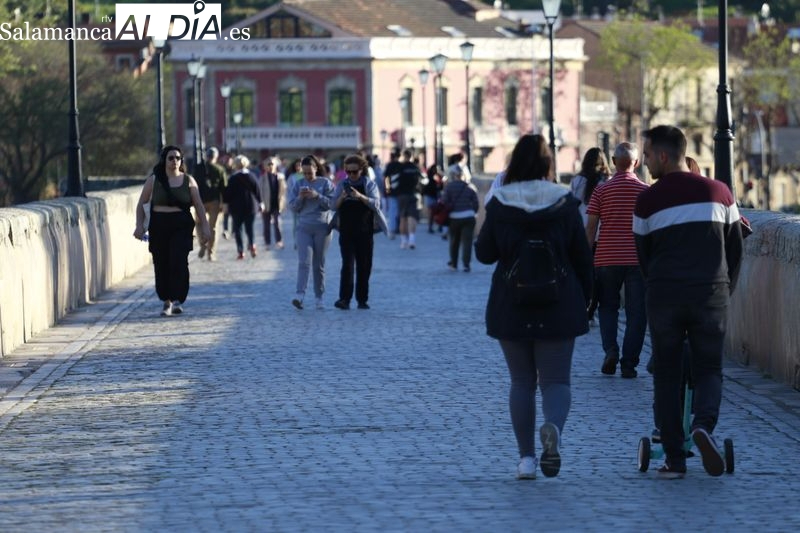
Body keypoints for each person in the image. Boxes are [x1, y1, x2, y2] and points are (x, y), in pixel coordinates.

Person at [475, 134, 593, 480]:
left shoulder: (500, 201)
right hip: (559, 303)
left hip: (512, 303)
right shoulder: (564, 201)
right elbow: (582, 257)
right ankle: (552, 427)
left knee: (521, 382)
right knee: (556, 381)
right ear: (547, 165)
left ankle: (526, 459)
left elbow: (484, 254)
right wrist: (585, 301)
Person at [633, 125, 743, 479]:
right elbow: (735, 247)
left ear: (664, 156)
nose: (645, 162)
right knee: (709, 368)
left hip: (665, 295)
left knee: (666, 374)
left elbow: (643, 256)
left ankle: (674, 461)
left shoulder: (647, 200)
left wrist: (658, 286)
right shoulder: (719, 192)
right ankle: (703, 427)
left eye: (647, 155)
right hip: (710, 293)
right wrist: (726, 288)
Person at [585, 142, 650, 378]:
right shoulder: (645, 191)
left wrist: (585, 259)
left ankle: (611, 350)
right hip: (637, 258)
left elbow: (591, 229)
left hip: (606, 258)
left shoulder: (601, 191)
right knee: (637, 312)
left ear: (614, 161)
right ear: (637, 162)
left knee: (608, 307)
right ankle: (629, 363)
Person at [133, 145, 211, 316]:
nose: (174, 161)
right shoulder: (155, 180)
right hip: (159, 225)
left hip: (181, 225)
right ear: (164, 160)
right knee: (161, 263)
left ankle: (177, 300)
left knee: (179, 261)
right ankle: (166, 300)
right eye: (171, 158)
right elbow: (141, 203)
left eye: (177, 158)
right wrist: (139, 225)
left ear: (181, 161)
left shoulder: (188, 181)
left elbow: (198, 205)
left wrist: (205, 227)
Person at [330, 154, 387, 310]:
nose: (351, 175)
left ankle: (362, 300)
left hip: (365, 231)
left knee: (364, 265)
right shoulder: (342, 185)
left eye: (354, 172)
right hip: (346, 231)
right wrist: (342, 197)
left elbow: (376, 204)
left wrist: (360, 196)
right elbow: (333, 206)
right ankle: (344, 299)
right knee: (347, 265)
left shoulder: (369, 184)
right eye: (348, 172)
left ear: (362, 170)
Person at [287, 154, 335, 310]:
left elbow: (332, 204)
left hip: (323, 227)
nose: (307, 176)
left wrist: (317, 196)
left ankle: (319, 296)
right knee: (303, 262)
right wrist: (300, 197)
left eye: (310, 172)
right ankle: (299, 295)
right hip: (304, 228)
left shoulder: (325, 183)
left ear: (316, 169)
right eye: (305, 173)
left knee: (318, 264)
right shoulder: (298, 184)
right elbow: (293, 207)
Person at [224, 155, 263, 260]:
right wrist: (261, 203)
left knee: (238, 230)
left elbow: (228, 194)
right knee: (250, 228)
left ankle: (240, 251)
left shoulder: (233, 178)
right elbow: (257, 190)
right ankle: (252, 244)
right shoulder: (252, 176)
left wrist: (225, 204)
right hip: (251, 206)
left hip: (236, 207)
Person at [441, 165, 479, 272]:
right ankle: (466, 264)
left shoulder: (449, 187)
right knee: (467, 241)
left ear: (453, 176)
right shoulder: (470, 187)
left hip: (454, 217)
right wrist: (473, 212)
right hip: (468, 216)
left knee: (454, 241)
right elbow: (476, 203)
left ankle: (454, 263)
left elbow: (444, 201)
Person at [195, 146, 227, 261]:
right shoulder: (219, 169)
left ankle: (202, 244)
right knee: (212, 227)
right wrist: (224, 203)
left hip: (200, 201)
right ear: (216, 157)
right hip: (214, 201)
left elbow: (193, 185)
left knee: (199, 224)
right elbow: (224, 187)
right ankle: (211, 252)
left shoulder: (198, 168)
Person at [570, 147, 610, 226]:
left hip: (582, 224)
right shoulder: (607, 181)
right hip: (602, 226)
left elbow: (573, 205)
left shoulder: (577, 180)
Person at [394, 149, 423, 249]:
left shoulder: (400, 167)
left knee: (403, 218)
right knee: (412, 217)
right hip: (413, 194)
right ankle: (412, 240)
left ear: (403, 156)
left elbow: (394, 181)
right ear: (411, 156)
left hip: (402, 195)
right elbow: (421, 181)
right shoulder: (415, 167)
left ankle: (403, 241)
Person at [260, 157, 287, 250]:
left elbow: (284, 190)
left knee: (277, 224)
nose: (270, 166)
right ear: (265, 167)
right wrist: (261, 203)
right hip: (266, 204)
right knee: (266, 225)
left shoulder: (280, 177)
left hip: (277, 203)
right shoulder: (263, 178)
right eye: (268, 165)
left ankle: (279, 241)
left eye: (272, 164)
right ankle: (267, 243)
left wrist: (283, 202)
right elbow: (260, 191)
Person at [383, 150, 402, 238]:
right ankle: (399, 228)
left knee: (392, 211)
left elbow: (386, 178)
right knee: (400, 211)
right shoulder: (401, 166)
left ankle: (392, 230)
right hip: (400, 192)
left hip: (391, 192)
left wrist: (387, 189)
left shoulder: (389, 166)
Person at [422, 164, 444, 234]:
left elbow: (441, 185)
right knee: (432, 212)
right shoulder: (430, 177)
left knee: (439, 212)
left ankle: (438, 226)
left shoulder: (439, 177)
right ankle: (430, 227)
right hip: (431, 195)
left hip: (437, 195)